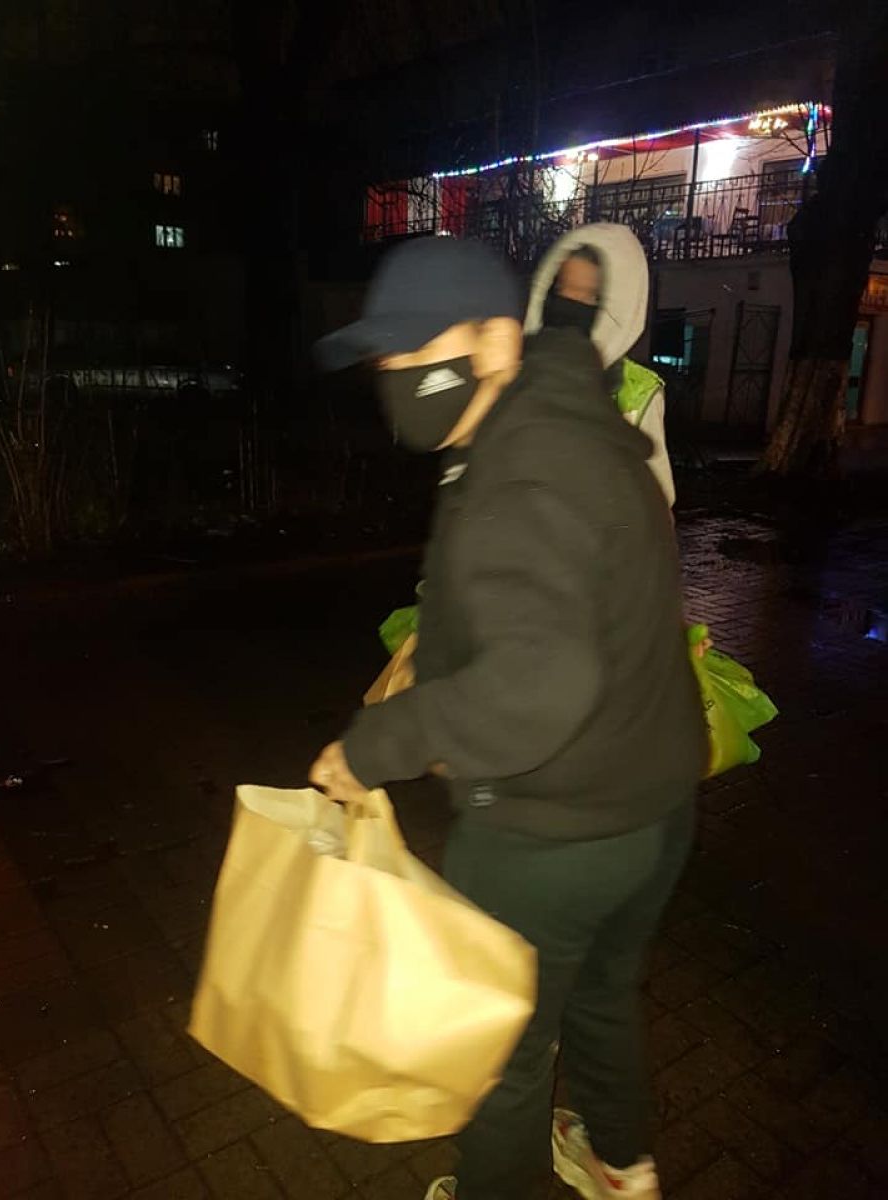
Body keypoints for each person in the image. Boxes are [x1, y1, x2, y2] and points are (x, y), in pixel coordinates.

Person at [311, 235, 707, 1200]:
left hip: (548, 834)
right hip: (651, 807)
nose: (398, 373)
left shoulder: (519, 478)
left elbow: (540, 684)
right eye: (386, 355)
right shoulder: (571, 414)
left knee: (504, 1050)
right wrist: (572, 307)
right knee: (602, 995)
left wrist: (375, 747)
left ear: (495, 343)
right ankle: (619, 1164)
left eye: (419, 348)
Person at [524, 224, 676, 508]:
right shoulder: (521, 373)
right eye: (562, 289)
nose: (572, 304)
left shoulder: (637, 393)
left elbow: (658, 501)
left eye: (589, 296)